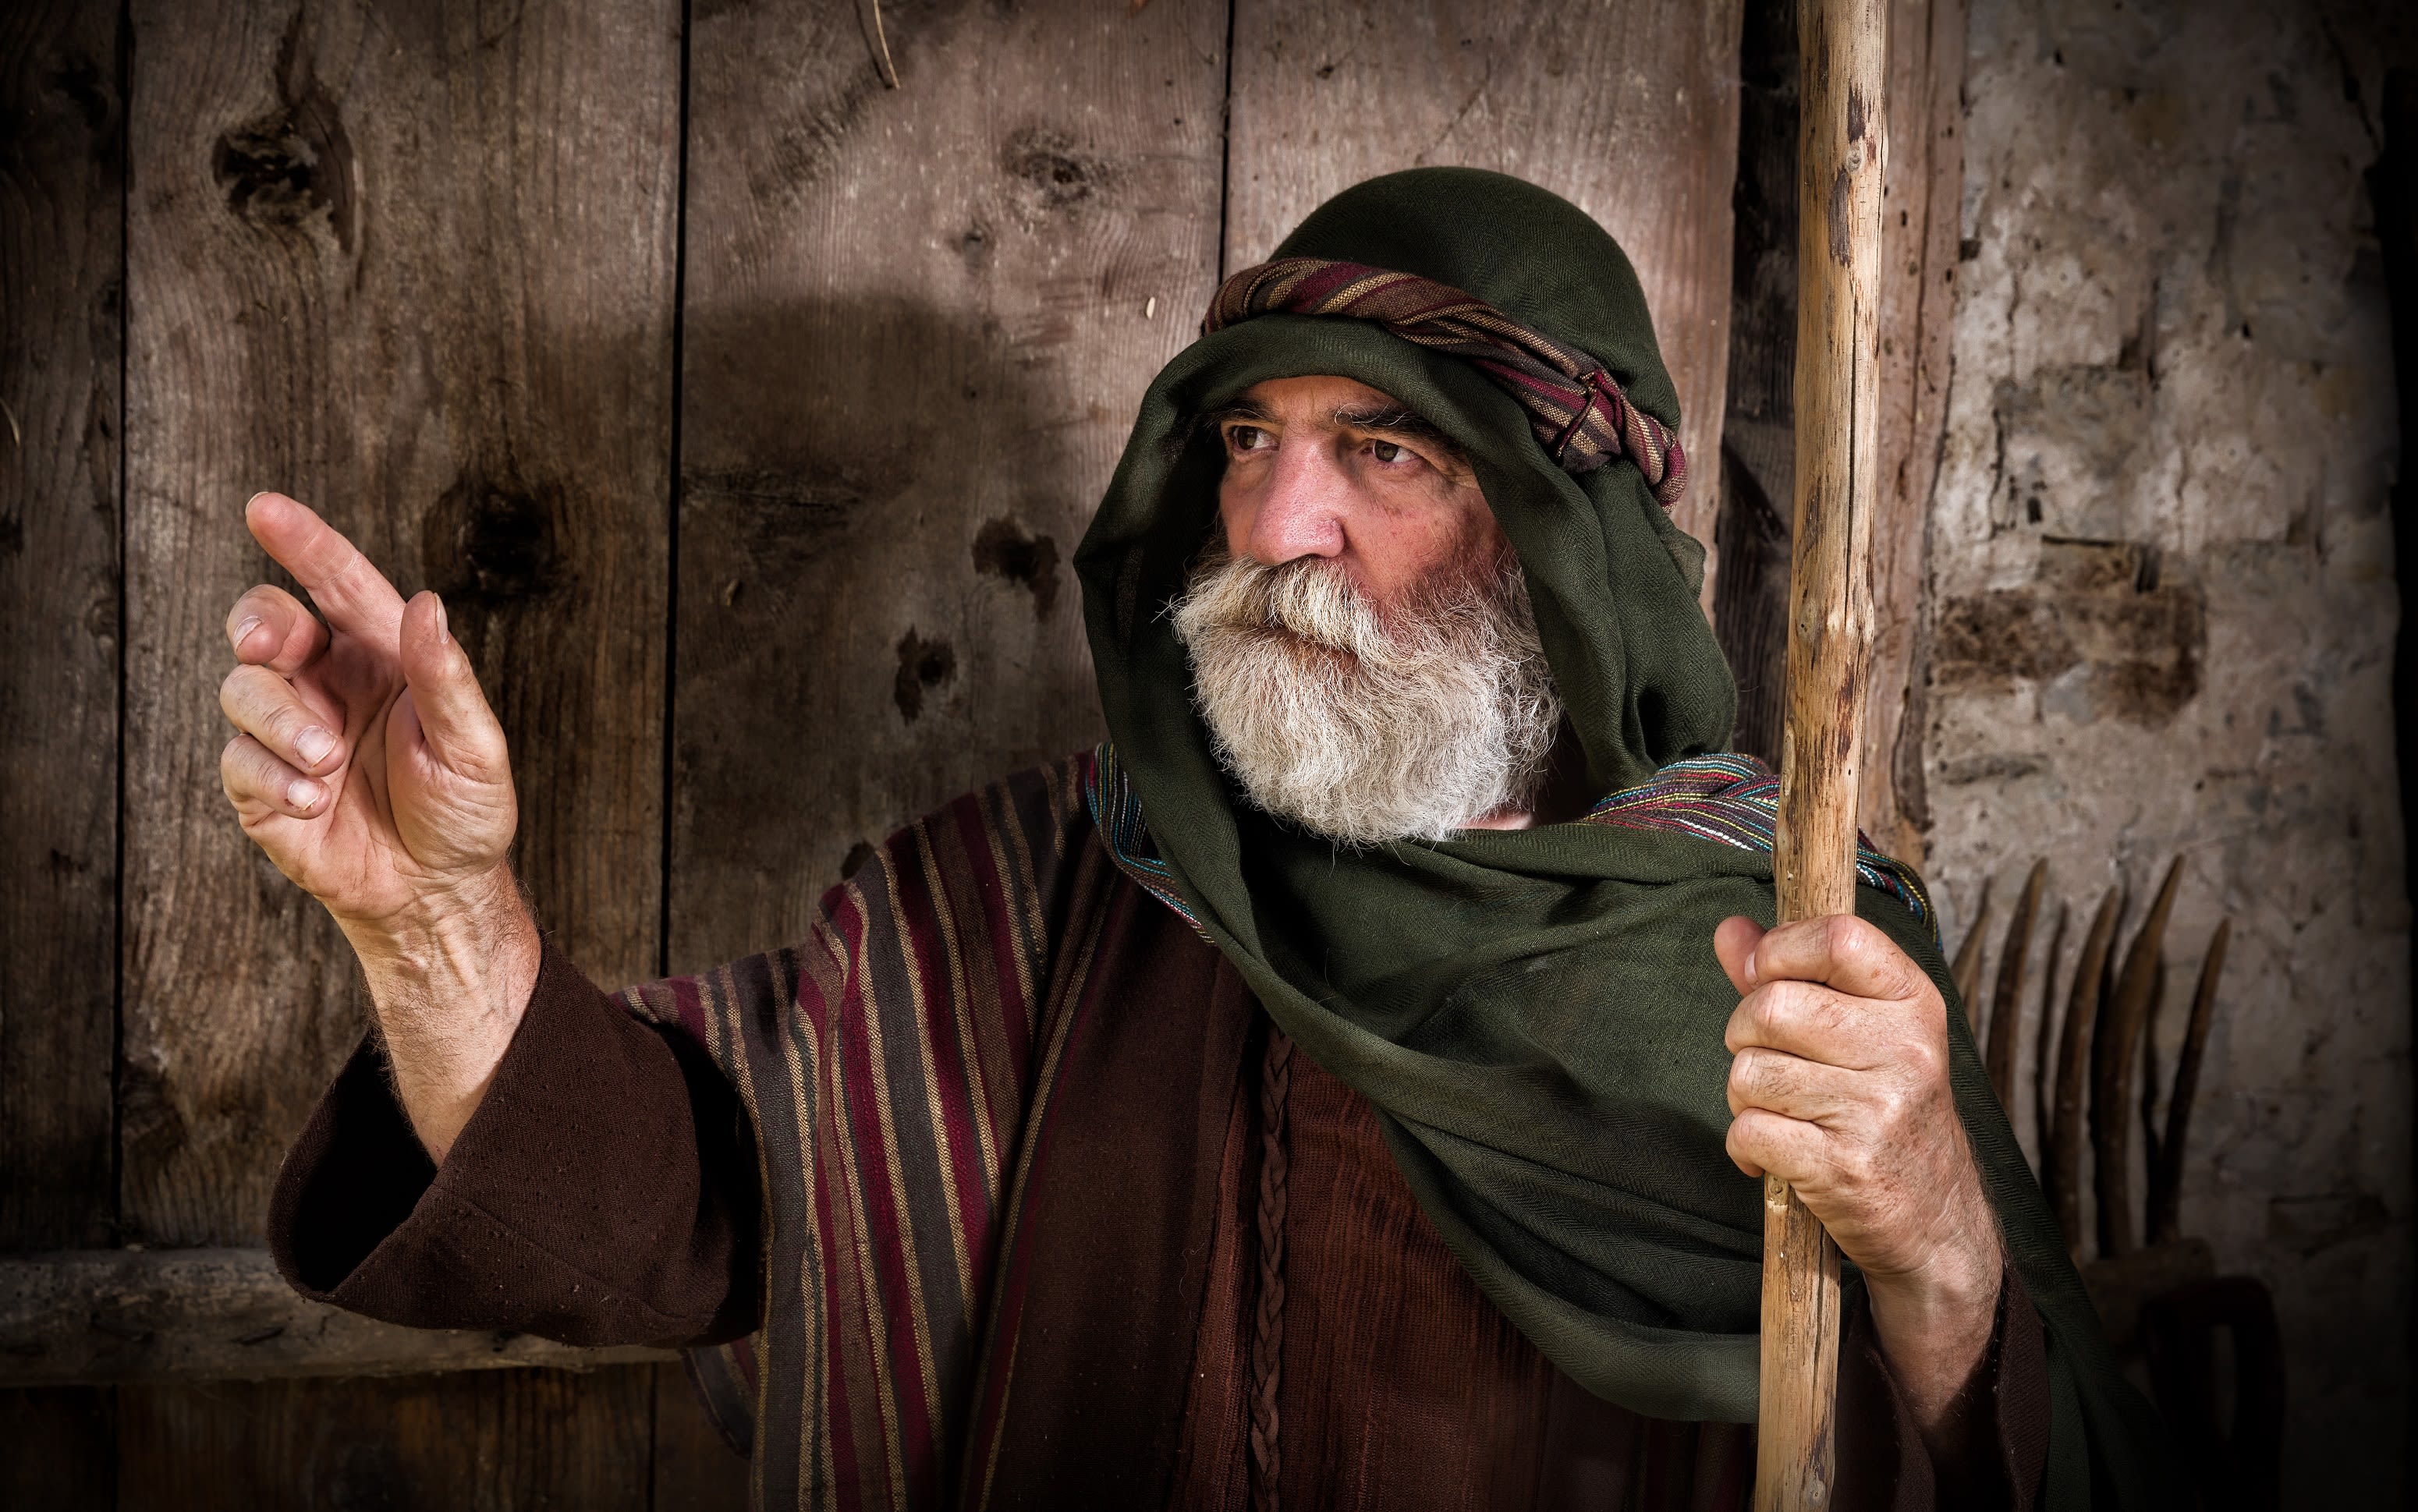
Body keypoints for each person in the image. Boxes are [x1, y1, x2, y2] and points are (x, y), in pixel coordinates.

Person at [222, 170, 2163, 1509]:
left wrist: (1927, 1243)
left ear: (1562, 548)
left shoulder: (1800, 962)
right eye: (1246, 440)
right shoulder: (1053, 889)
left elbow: (2047, 1452)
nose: (1273, 523)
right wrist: (437, 923)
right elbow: (672, 1200)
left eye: (1380, 453)